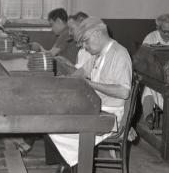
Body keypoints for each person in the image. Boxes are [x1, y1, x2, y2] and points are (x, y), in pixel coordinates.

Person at [47, 17, 132, 172]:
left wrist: (90, 84)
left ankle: (72, 165)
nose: (84, 47)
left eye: (86, 41)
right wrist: (61, 82)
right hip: (96, 108)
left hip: (110, 115)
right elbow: (80, 73)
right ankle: (68, 164)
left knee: (57, 126)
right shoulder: (97, 55)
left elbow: (124, 91)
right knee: (53, 118)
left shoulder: (120, 54)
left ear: (97, 34)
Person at [142, 14, 169, 127]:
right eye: (165, 31)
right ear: (158, 28)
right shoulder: (150, 38)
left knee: (152, 85)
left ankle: (148, 114)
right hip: (157, 75)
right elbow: (144, 61)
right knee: (152, 83)